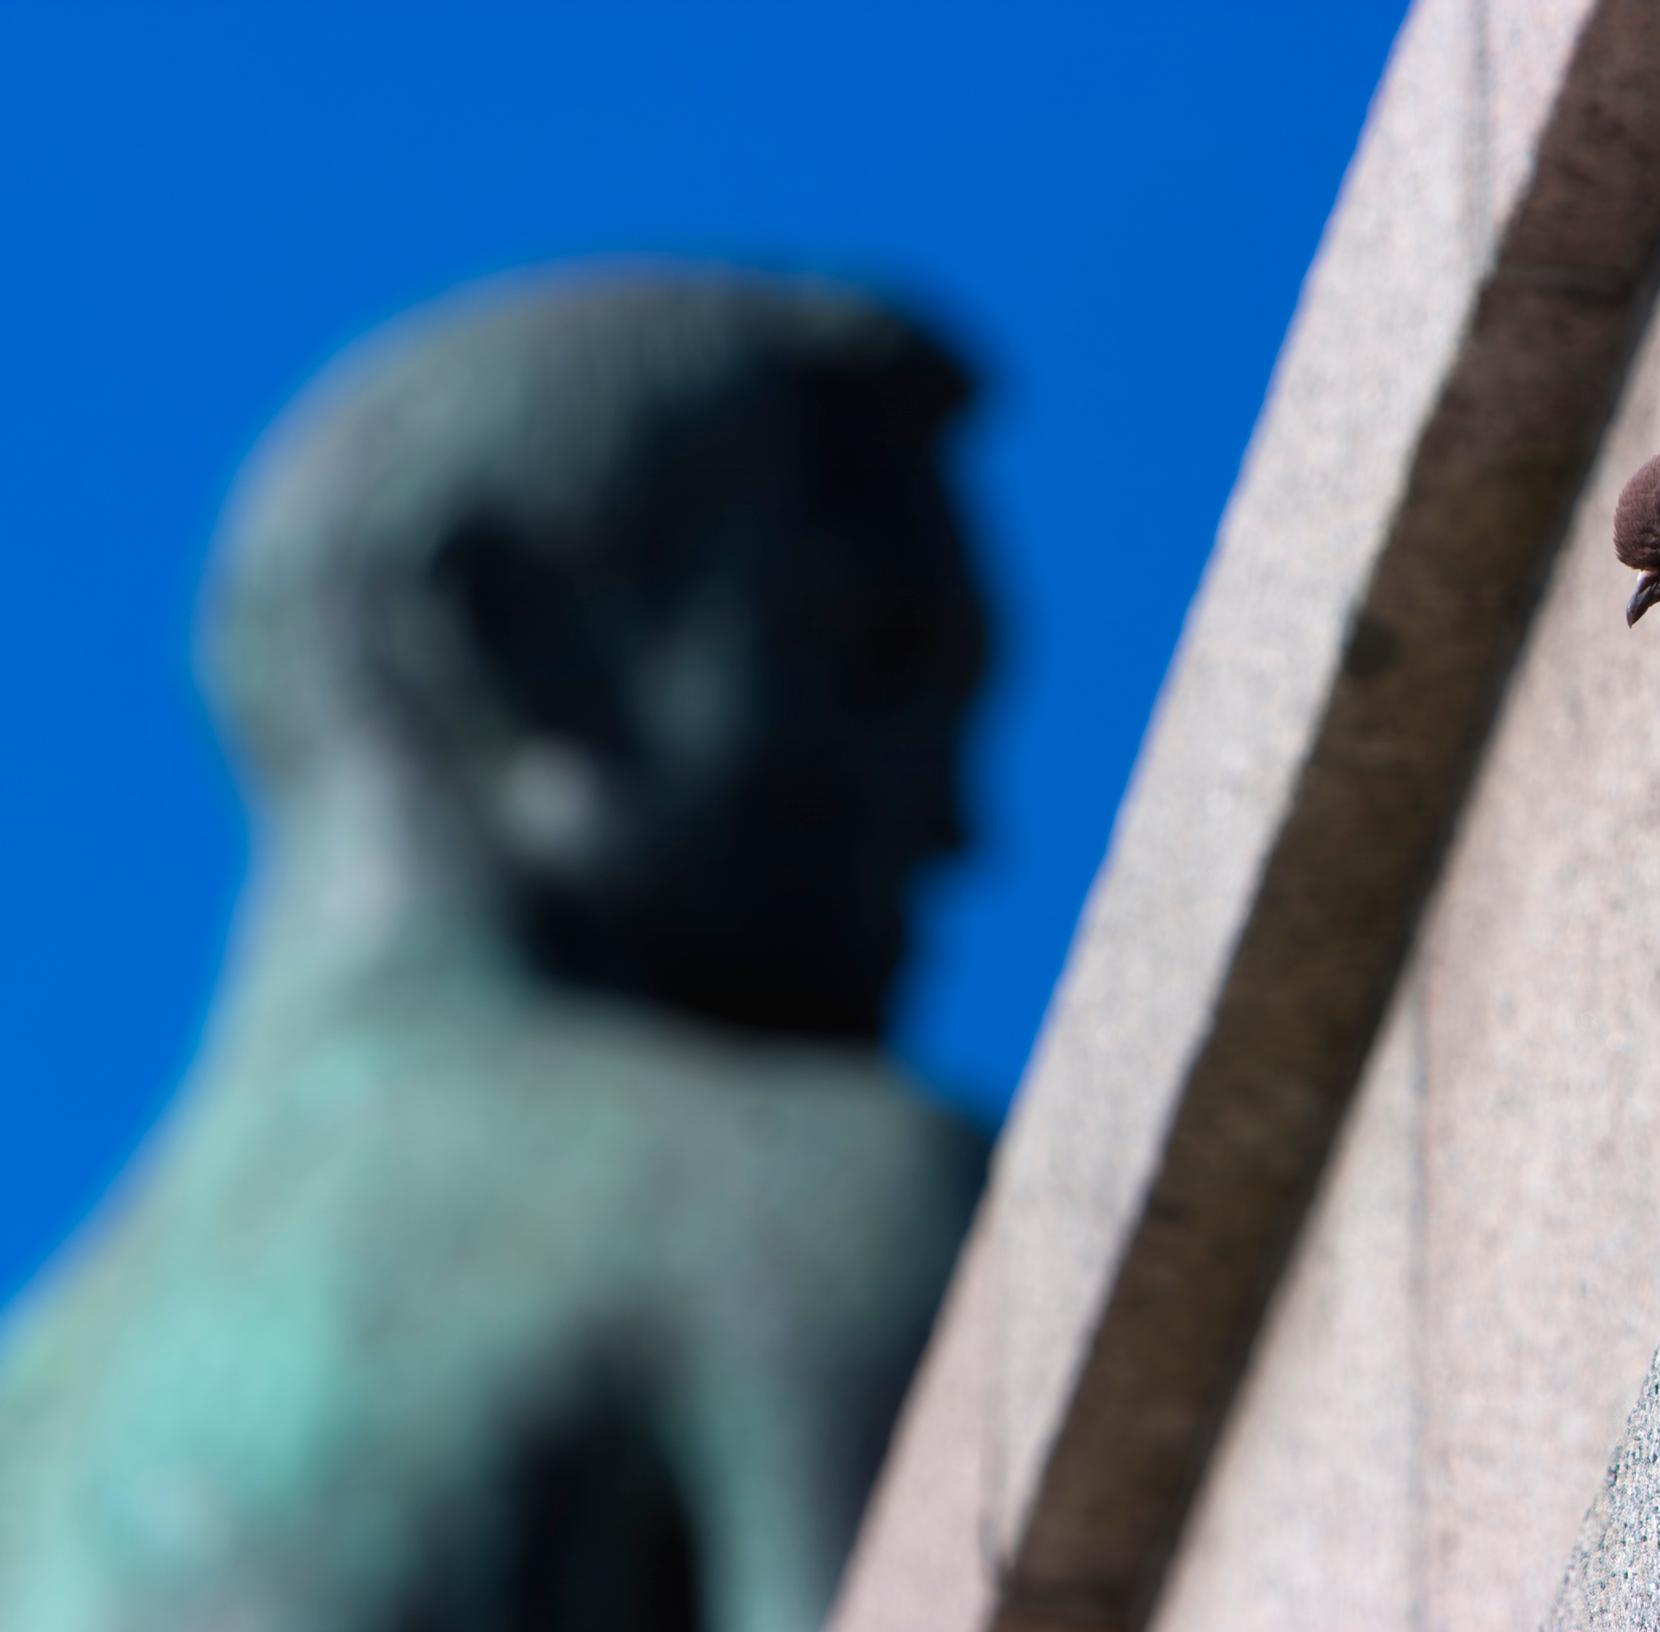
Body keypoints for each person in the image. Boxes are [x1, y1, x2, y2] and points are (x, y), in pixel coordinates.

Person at [0, 264, 993, 1630]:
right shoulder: (787, 1213)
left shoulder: (25, 1415)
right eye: (872, 664)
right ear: (514, 636)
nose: (956, 827)